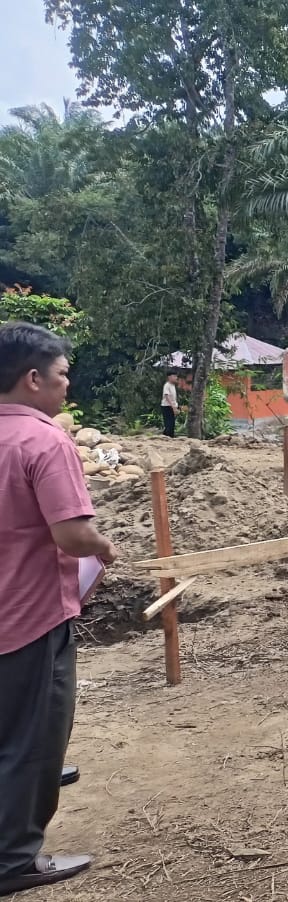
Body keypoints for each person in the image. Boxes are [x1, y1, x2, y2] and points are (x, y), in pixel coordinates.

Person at [0, 322, 115, 896]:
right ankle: (14, 857)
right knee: (34, 738)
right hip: (29, 614)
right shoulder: (44, 441)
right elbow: (72, 536)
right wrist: (104, 545)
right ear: (33, 378)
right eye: (63, 375)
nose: (67, 387)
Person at [160, 372, 179, 437]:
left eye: (176, 376)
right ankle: (167, 436)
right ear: (169, 377)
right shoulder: (167, 385)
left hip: (172, 406)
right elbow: (167, 396)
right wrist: (173, 407)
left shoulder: (173, 385)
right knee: (169, 423)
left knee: (172, 423)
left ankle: (169, 436)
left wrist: (175, 407)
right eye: (174, 376)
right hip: (167, 406)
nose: (176, 378)